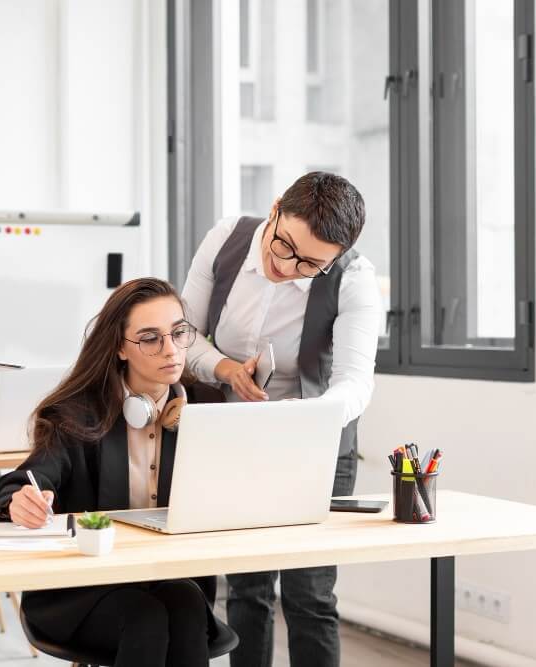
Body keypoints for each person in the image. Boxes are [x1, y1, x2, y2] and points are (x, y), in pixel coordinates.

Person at [181, 171, 383, 667]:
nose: (287, 267)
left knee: (309, 593)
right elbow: (183, 334)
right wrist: (224, 367)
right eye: (284, 245)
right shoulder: (225, 239)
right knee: (247, 587)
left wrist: (302, 419)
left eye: (310, 264)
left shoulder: (354, 278)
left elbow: (356, 382)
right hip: (234, 437)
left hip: (315, 446)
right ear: (275, 210)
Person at [0, 278, 219, 667]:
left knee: (186, 603)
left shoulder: (208, 405)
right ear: (120, 348)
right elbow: (23, 482)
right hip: (85, 586)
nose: (171, 349)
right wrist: (18, 502)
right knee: (145, 616)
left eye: (179, 333)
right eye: (150, 338)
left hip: (168, 574)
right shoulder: (76, 414)